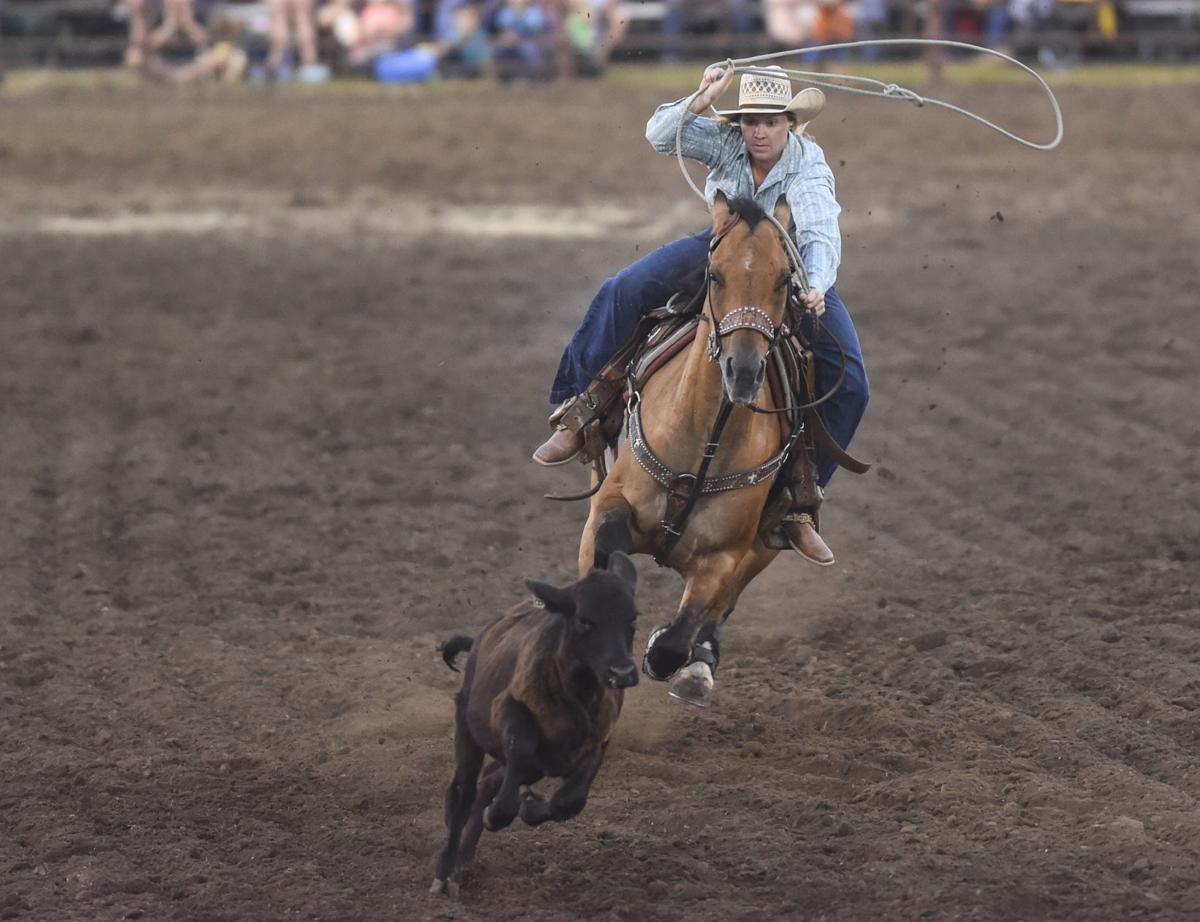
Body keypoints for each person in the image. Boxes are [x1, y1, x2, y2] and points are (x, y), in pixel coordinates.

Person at [533, 62, 870, 567]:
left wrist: (817, 284)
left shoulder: (808, 163)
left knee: (852, 384)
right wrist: (701, 96)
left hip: (788, 267)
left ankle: (799, 499)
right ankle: (580, 408)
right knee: (623, 290)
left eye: (771, 121)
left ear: (790, 124)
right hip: (720, 253)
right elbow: (659, 136)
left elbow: (820, 228)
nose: (759, 131)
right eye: (751, 120)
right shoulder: (724, 140)